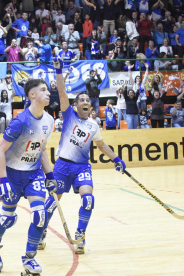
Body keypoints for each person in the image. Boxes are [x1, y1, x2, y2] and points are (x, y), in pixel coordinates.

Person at [38, 57, 126, 256]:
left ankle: (80, 235)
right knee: (52, 203)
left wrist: (116, 159)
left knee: (88, 200)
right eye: (82, 100)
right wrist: (58, 71)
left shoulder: (93, 125)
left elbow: (102, 145)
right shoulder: (69, 115)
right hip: (62, 166)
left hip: (81, 167)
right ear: (75, 105)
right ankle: (42, 231)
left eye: (88, 100)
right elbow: (61, 91)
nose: (86, 102)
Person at [0, 78, 55, 274]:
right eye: (43, 90)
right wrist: (3, 180)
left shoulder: (49, 121)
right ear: (32, 95)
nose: (48, 93)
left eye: (47, 89)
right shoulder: (20, 121)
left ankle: (29, 258)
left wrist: (50, 175)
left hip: (34, 174)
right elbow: (0, 150)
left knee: (40, 215)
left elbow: (42, 150)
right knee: (7, 219)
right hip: (13, 174)